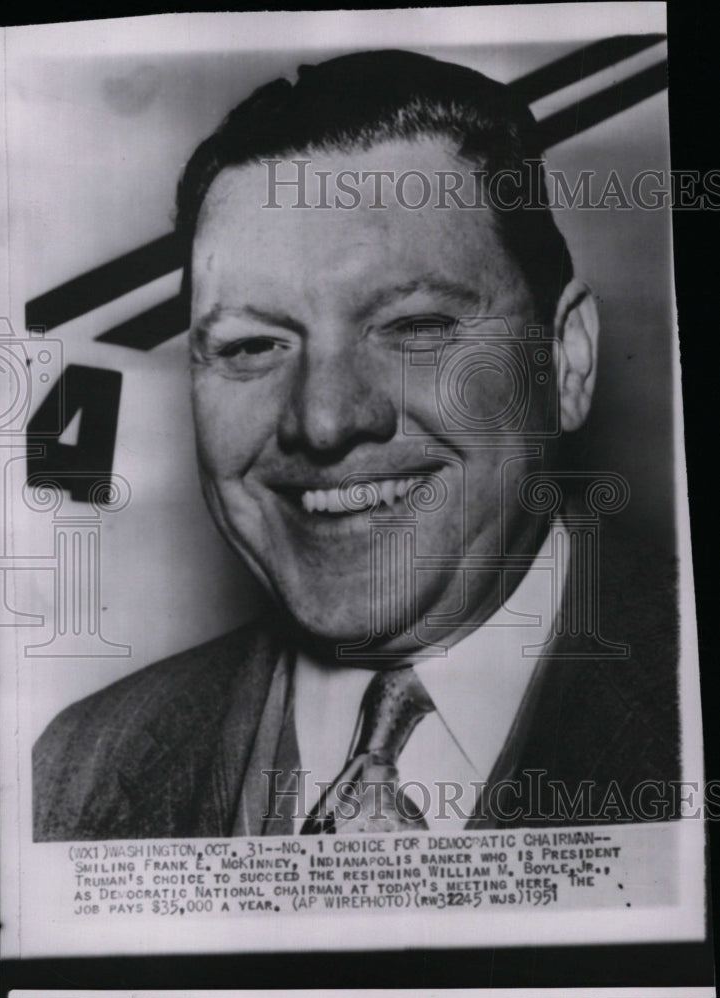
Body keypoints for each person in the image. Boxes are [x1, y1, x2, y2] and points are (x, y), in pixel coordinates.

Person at [33, 49, 679, 840]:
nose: (326, 420)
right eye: (251, 346)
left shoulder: (687, 698)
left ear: (565, 359)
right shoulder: (73, 775)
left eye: (413, 327)